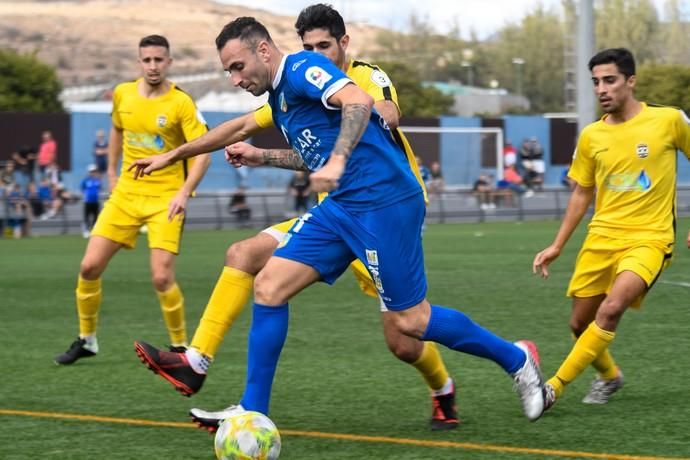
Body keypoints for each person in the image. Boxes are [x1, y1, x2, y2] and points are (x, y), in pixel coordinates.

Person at [130, 16, 545, 424]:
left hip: (384, 202)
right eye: (227, 72)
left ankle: (517, 359)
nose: (235, 79)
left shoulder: (301, 68)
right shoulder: (280, 99)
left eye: (237, 67)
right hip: (342, 206)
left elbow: (359, 102)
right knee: (269, 286)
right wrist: (174, 155)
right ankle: (252, 409)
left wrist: (341, 158)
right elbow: (246, 130)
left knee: (410, 323)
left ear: (263, 50)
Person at [532, 48, 690, 414]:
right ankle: (609, 376)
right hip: (602, 238)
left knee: (611, 309)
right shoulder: (591, 136)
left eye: (610, 80)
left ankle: (551, 389)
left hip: (650, 238)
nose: (602, 89)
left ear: (630, 81)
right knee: (579, 322)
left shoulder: (668, 121)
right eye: (596, 82)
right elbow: (582, 192)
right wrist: (557, 244)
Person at [53, 34, 211, 365]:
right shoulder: (123, 93)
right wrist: (111, 172)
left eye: (159, 60)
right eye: (147, 60)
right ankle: (87, 339)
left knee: (161, 277)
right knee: (89, 266)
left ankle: (181, 350)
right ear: (139, 63)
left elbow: (204, 154)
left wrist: (184, 192)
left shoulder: (181, 103)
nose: (153, 66)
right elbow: (117, 129)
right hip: (125, 194)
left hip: (165, 198)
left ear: (169, 62)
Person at [81, 164, 102, 238]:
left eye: (94, 171)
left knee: (95, 216)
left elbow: (99, 189)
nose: (93, 173)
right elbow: (82, 189)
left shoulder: (98, 180)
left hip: (95, 201)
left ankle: (93, 230)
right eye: (91, 171)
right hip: (87, 201)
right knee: (86, 216)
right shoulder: (85, 180)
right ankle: (86, 230)